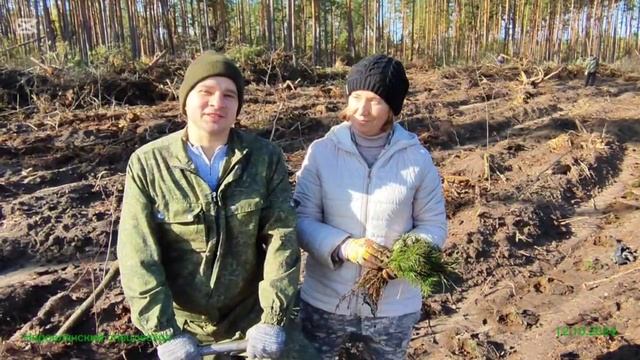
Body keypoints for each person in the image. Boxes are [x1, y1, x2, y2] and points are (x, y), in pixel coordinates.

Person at [117, 51, 300, 360]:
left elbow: (282, 238)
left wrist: (272, 320)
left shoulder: (264, 158)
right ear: (186, 100)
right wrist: (165, 333)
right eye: (206, 92)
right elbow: (138, 255)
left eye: (229, 95)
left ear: (238, 106)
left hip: (251, 318)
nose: (218, 103)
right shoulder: (149, 164)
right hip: (183, 324)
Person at [293, 54, 447, 359]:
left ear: (392, 107)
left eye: (375, 100)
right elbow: (300, 219)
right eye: (356, 97)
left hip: (394, 307)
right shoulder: (322, 153)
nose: (362, 110)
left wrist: (403, 258)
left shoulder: (416, 159)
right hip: (326, 301)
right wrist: (345, 247)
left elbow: (433, 225)